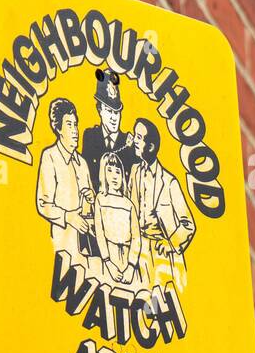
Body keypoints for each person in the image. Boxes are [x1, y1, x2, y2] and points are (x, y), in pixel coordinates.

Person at [127, 117, 196, 293]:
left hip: (162, 256)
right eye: (135, 135)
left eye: (139, 137)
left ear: (150, 147)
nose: (135, 140)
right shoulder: (134, 172)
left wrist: (171, 243)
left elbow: (188, 225)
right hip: (138, 251)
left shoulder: (169, 182)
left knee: (162, 302)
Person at [35, 98, 94, 267]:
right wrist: (69, 217)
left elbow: (91, 205)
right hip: (62, 240)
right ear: (58, 128)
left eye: (75, 124)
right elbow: (43, 204)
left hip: (86, 242)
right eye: (69, 124)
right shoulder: (50, 157)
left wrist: (92, 198)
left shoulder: (82, 163)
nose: (75, 130)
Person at [80, 69, 134, 192]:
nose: (114, 118)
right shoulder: (89, 136)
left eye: (116, 112)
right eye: (109, 111)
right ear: (99, 110)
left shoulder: (128, 142)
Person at [93, 151, 141, 287]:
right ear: (103, 173)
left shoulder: (128, 204)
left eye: (118, 171)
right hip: (109, 256)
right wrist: (108, 262)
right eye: (109, 171)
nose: (114, 176)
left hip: (128, 257)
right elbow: (100, 234)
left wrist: (131, 267)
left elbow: (136, 237)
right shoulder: (101, 199)